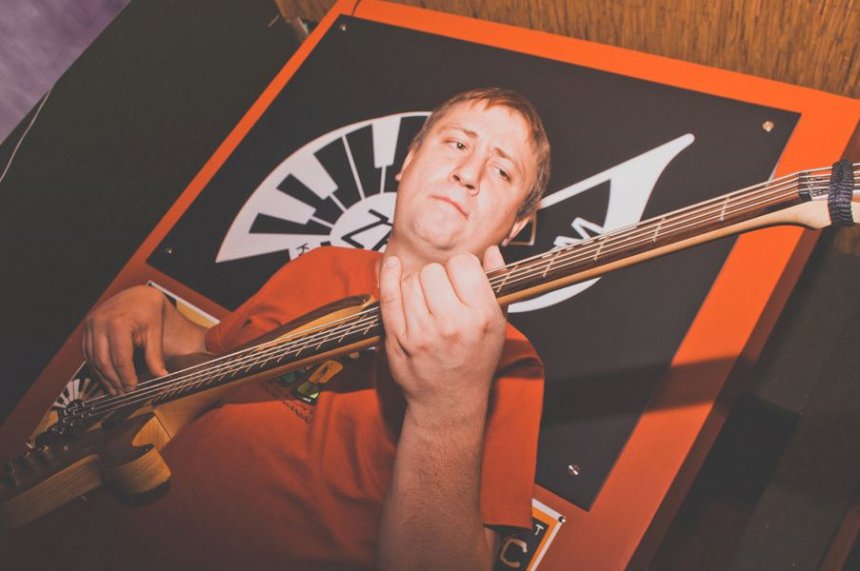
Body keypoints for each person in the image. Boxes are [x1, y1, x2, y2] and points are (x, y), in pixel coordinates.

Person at [20, 87, 551, 570]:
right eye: (457, 143)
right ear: (408, 161)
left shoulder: (509, 361)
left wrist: (449, 406)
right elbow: (214, 364)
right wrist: (150, 307)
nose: (468, 173)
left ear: (517, 225)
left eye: (502, 172)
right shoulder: (321, 263)